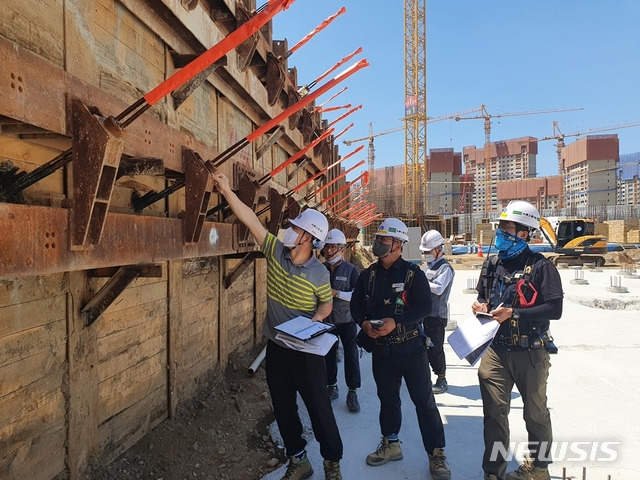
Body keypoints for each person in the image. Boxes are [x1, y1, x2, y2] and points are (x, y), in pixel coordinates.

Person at [211, 172, 343, 480]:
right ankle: (299, 460)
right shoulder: (275, 251)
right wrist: (227, 190)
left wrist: (319, 317)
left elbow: (326, 303)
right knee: (283, 407)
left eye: (296, 228)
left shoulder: (320, 274)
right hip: (278, 348)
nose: (289, 230)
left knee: (319, 409)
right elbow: (251, 221)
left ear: (308, 238)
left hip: (308, 352)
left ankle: (332, 463)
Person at [351, 218, 451, 480]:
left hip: (411, 349)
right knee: (388, 399)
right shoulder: (368, 275)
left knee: (424, 402)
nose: (378, 243)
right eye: (378, 238)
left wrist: (398, 321)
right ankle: (391, 444)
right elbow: (356, 305)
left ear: (397, 245)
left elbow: (424, 307)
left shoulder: (412, 274)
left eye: (384, 240)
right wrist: (363, 323)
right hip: (383, 351)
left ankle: (437, 454)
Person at [471, 201, 563, 480]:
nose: (500, 233)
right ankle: (493, 472)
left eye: (506, 228)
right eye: (499, 227)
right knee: (494, 415)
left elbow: (554, 309)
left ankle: (539, 468)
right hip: (496, 351)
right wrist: (480, 306)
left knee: (535, 413)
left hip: (530, 352)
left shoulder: (540, 267)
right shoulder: (493, 263)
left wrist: (515, 312)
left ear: (525, 233)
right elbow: (482, 296)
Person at [321, 228, 362, 413]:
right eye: (327, 247)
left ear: (342, 249)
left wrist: (337, 293)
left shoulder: (351, 270)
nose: (329, 251)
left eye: (333, 247)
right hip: (326, 321)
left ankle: (352, 391)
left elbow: (357, 296)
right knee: (328, 356)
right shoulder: (319, 269)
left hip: (346, 320)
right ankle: (331, 386)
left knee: (351, 356)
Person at [419, 229, 455, 394]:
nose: (426, 254)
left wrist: (420, 282)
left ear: (439, 249)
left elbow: (439, 288)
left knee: (436, 348)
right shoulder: (427, 266)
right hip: (423, 314)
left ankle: (442, 378)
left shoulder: (445, 268)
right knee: (422, 347)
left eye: (428, 251)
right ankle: (424, 377)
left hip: (436, 316)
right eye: (424, 252)